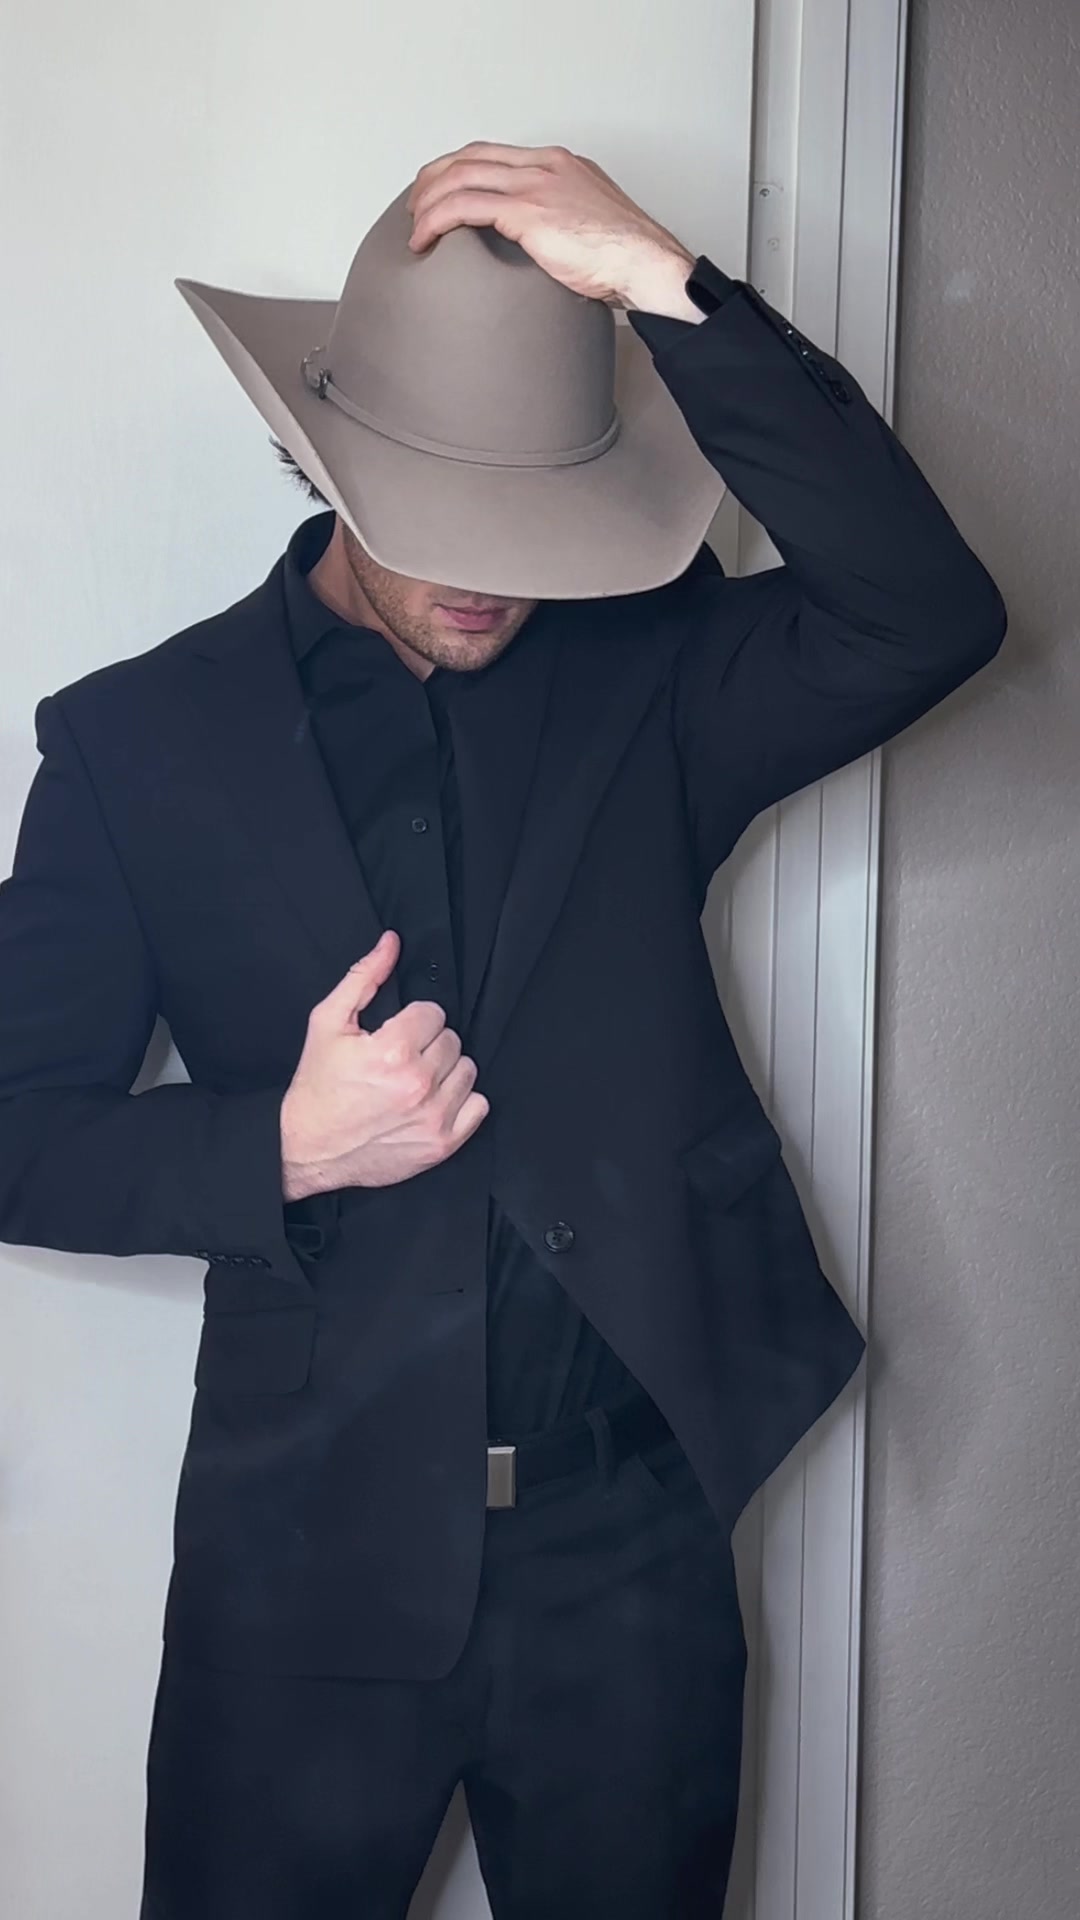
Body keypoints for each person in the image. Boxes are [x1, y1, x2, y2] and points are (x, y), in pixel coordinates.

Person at [0, 141, 1007, 1917]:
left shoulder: (652, 672)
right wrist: (279, 1146)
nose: (487, 579)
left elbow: (928, 611)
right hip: (299, 1575)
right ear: (323, 461)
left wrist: (672, 290)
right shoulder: (134, 745)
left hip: (629, 1556)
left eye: (527, 529)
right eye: (438, 522)